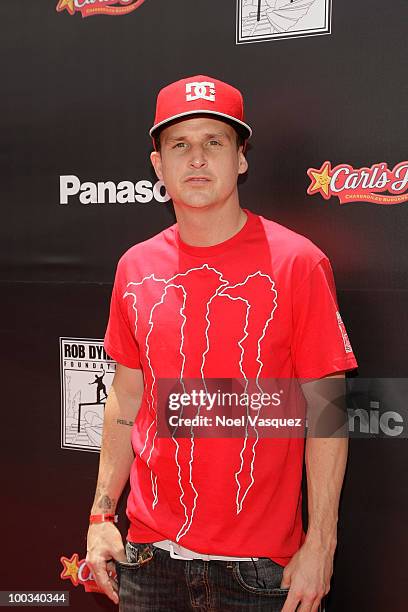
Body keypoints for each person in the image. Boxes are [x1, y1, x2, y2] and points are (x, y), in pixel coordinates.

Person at [86, 75, 358, 612]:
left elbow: (327, 408)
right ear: (158, 165)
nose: (197, 159)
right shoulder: (134, 267)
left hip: (260, 572)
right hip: (147, 562)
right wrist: (100, 515)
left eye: (215, 142)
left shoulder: (298, 263)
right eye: (179, 145)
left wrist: (321, 543)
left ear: (240, 160)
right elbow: (126, 397)